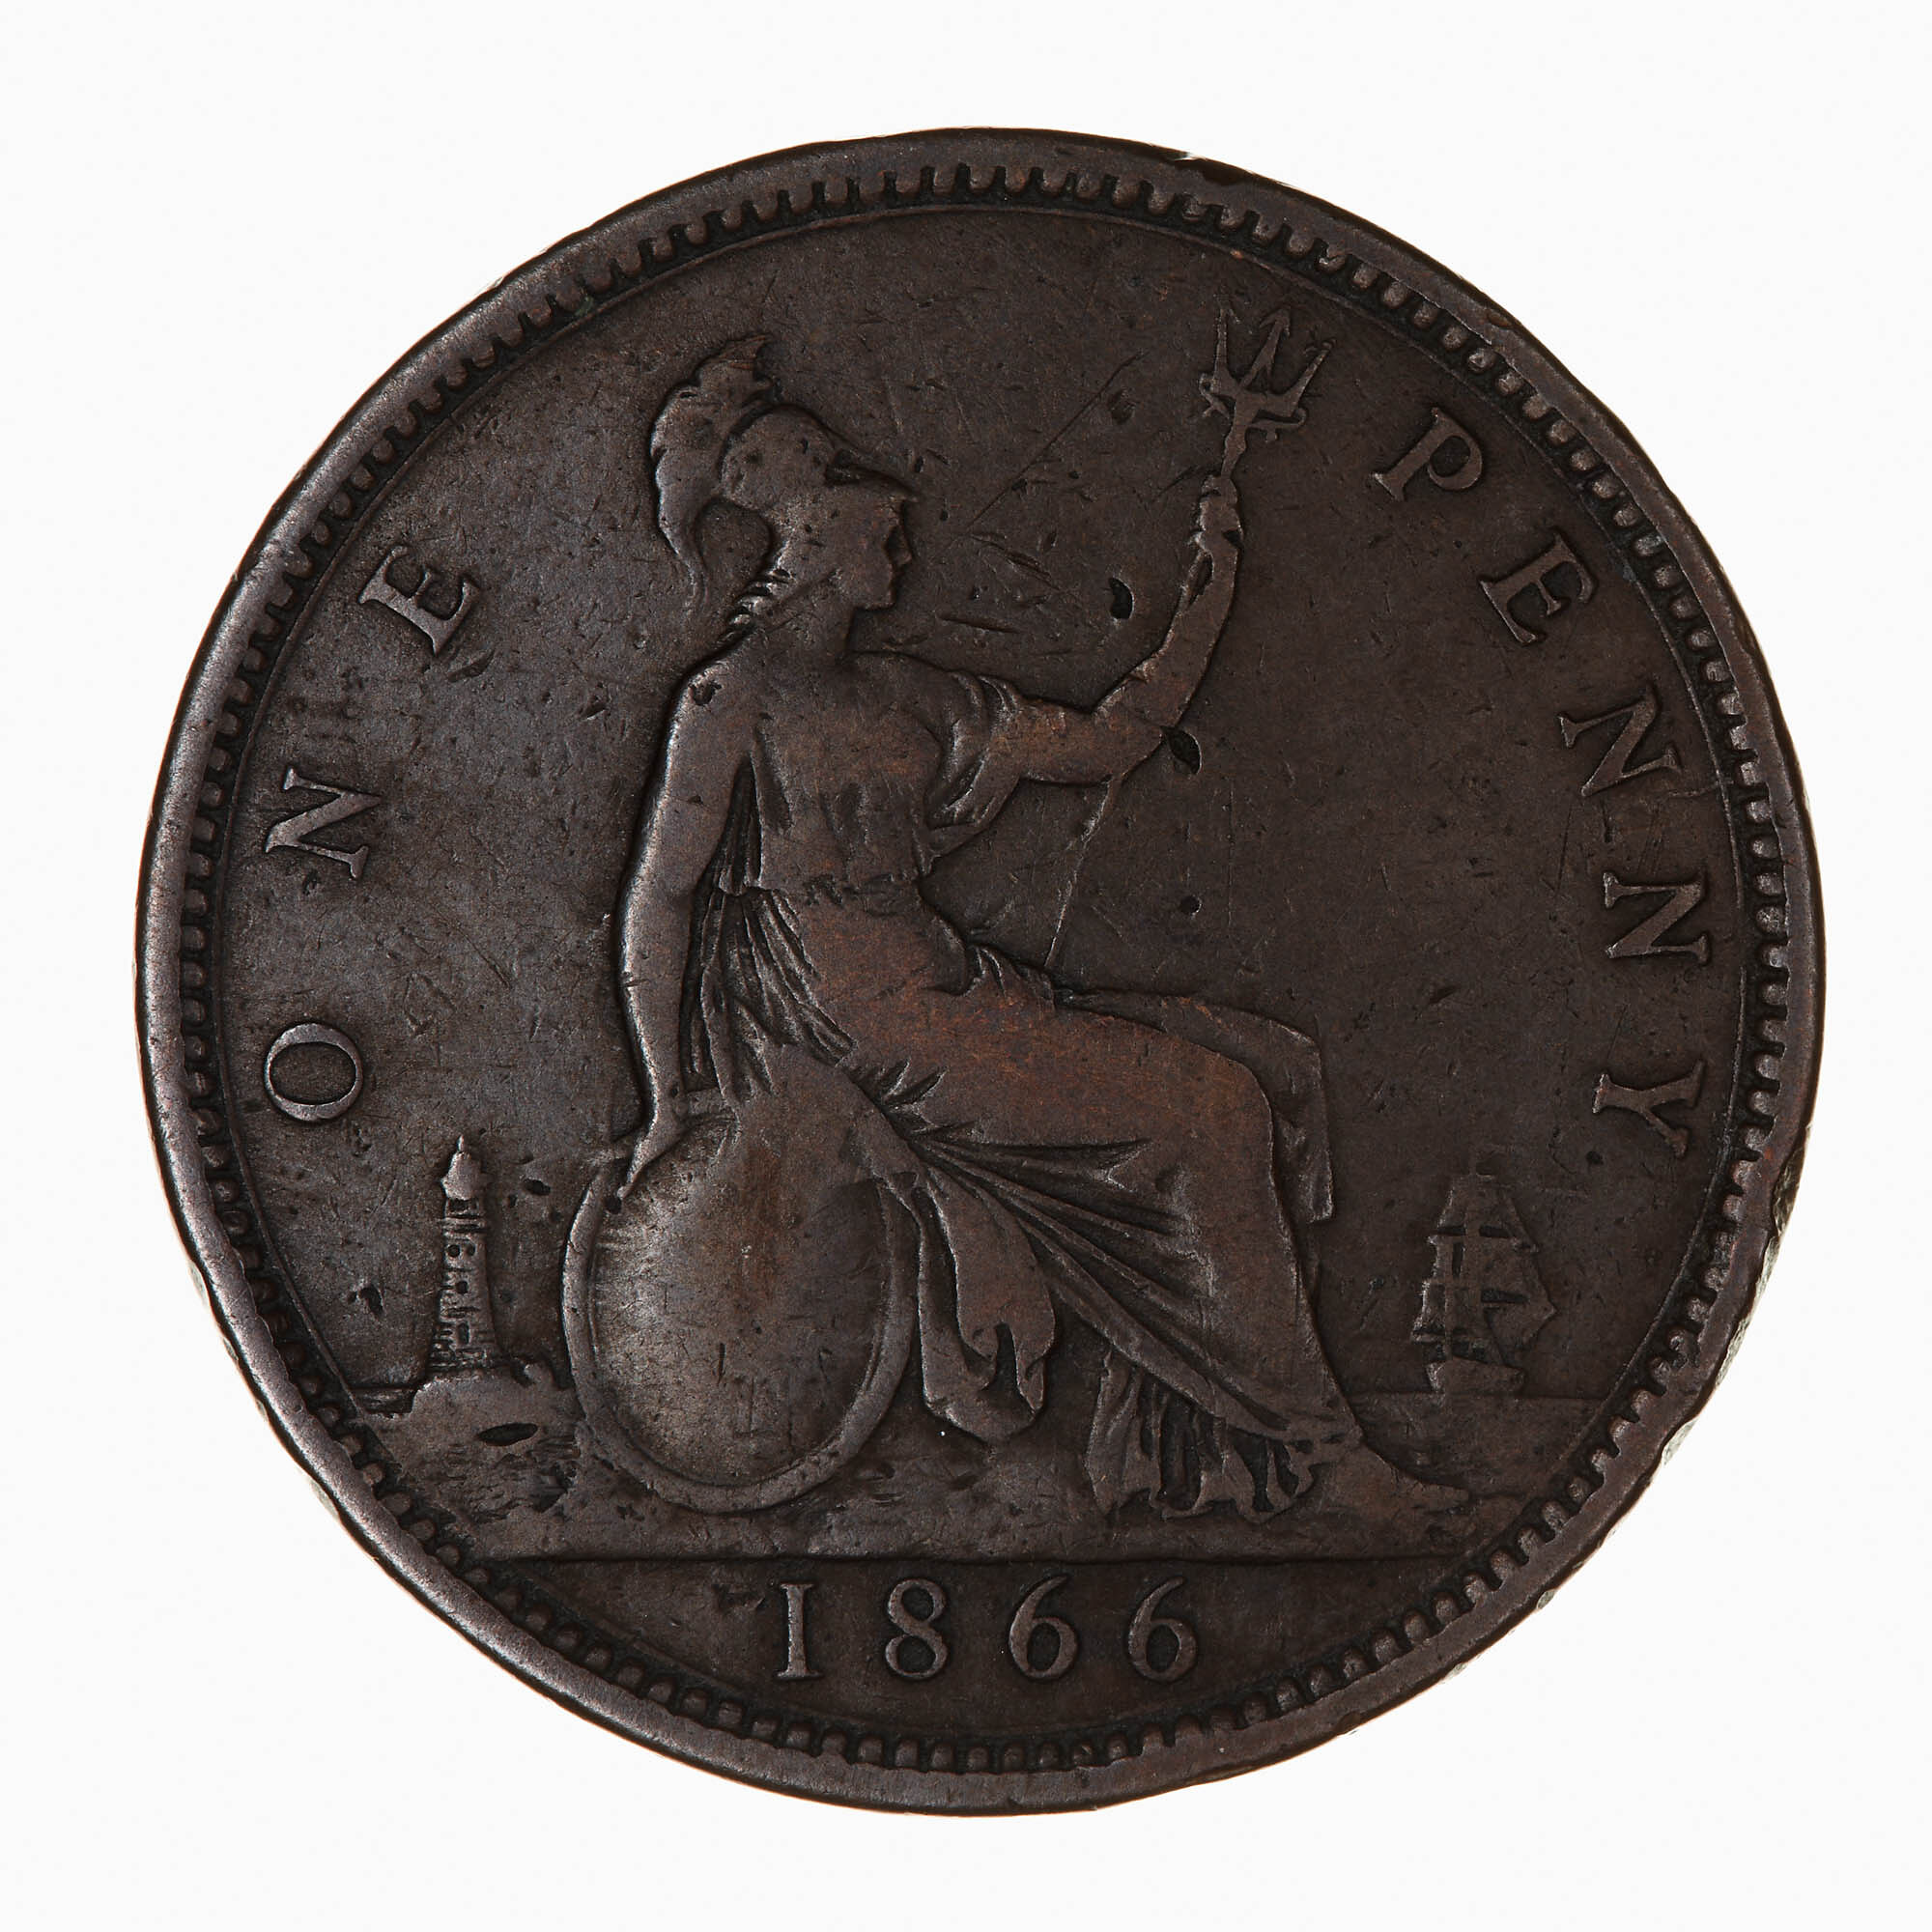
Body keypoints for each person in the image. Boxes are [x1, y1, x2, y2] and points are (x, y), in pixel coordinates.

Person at [615, 339, 1405, 1520]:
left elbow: (1107, 739)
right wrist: (665, 1098)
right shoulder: (728, 702)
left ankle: (1188, 1455)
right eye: (881, 526)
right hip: (847, 1022)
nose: (902, 546)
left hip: (948, 991)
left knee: (1263, 1067)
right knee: (1211, 1108)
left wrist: (1209, 591)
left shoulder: (913, 695)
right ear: (815, 533)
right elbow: (662, 897)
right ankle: (1317, 1449)